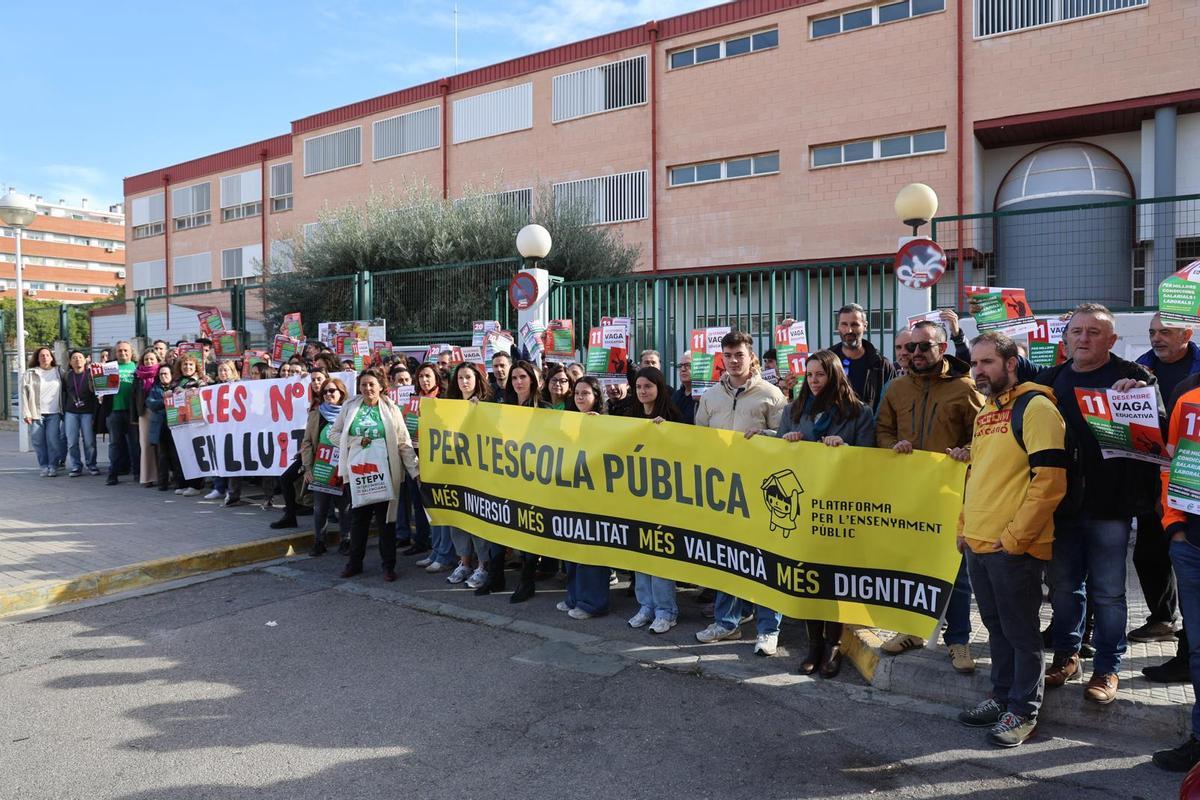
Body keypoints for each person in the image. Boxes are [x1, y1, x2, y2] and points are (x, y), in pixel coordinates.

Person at [1037, 303, 1164, 704]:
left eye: (1094, 332)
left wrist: (1140, 402)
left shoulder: (1135, 376)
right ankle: (1066, 656)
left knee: (1109, 592)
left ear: (1111, 340)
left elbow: (1158, 438)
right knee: (1062, 589)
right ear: (1066, 338)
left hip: (1112, 505)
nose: (1084, 339)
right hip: (1061, 505)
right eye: (1077, 332)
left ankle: (1107, 668)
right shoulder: (1049, 382)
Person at [952, 332, 1068, 748]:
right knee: (996, 628)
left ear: (1011, 363)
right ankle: (1001, 697)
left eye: (987, 363)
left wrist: (1016, 538)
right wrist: (964, 528)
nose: (978, 371)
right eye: (974, 363)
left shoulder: (1036, 408)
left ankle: (1023, 709)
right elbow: (976, 475)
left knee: (1021, 633)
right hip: (979, 545)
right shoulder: (986, 411)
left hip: (1012, 547)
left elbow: (1050, 482)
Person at [875, 320, 984, 672]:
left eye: (924, 347)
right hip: (911, 494)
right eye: (910, 348)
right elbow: (883, 430)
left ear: (943, 348)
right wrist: (894, 445)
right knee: (911, 564)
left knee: (955, 571)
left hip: (953, 494)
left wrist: (966, 451)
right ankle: (911, 629)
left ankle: (959, 641)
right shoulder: (896, 388)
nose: (915, 354)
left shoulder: (965, 388)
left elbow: (983, 434)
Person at [773, 350, 876, 677]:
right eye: (810, 374)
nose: (814, 381)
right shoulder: (794, 410)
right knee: (807, 577)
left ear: (834, 376)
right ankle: (813, 643)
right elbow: (777, 458)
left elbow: (870, 460)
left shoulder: (858, 413)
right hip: (803, 508)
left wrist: (845, 452)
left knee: (835, 581)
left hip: (839, 509)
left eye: (820, 374)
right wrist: (789, 442)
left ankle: (833, 644)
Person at [693, 330, 787, 654]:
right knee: (727, 557)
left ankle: (768, 628)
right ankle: (727, 623)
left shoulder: (771, 395)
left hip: (763, 491)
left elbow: (788, 441)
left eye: (739, 355)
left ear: (752, 358)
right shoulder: (710, 397)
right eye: (728, 356)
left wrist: (766, 434)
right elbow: (698, 439)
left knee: (764, 559)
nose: (734, 361)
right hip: (723, 492)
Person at [1130, 315, 1200, 651]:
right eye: (1153, 332)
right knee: (1148, 554)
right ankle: (1162, 618)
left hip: (1188, 482)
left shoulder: (1196, 371)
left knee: (1188, 565)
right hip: (1151, 478)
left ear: (1187, 334)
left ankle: (1189, 645)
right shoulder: (1140, 367)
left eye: (1165, 332)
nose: (1157, 339)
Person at [331, 370, 419, 581]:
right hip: (358, 473)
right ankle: (354, 564)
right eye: (363, 385)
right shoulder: (350, 406)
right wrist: (353, 441)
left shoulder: (391, 409)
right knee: (358, 520)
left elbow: (403, 442)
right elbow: (333, 433)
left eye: (371, 384)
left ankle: (388, 566)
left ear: (381, 385)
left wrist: (414, 470)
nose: (367, 389)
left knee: (386, 522)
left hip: (385, 473)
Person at [1153, 378, 1200, 771]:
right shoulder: (1188, 397)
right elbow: (1172, 465)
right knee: (1199, 653)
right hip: (1192, 547)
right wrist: (1175, 527)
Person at [624, 366, 684, 631]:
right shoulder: (631, 416)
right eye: (638, 387)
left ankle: (666, 610)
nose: (642, 391)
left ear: (659, 388)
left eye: (648, 386)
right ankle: (646, 606)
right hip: (638, 498)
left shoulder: (672, 417)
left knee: (659, 555)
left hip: (663, 501)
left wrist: (668, 432)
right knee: (640, 555)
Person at [443, 363, 496, 587]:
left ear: (477, 380)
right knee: (458, 519)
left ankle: (482, 566)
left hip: (478, 474)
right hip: (456, 472)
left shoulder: (487, 406)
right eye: (461, 378)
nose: (464, 382)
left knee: (478, 521)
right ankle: (463, 563)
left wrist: (478, 412)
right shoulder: (448, 406)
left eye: (468, 377)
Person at [505, 361, 553, 603]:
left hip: (536, 479)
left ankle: (528, 580)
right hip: (511, 478)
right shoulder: (504, 408)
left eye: (522, 376)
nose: (518, 382)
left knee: (531, 529)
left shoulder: (544, 408)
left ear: (532, 380)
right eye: (514, 378)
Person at [301, 377, 352, 557]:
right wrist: (307, 468)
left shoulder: (350, 414)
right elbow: (307, 442)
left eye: (332, 391)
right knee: (320, 507)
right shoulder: (315, 414)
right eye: (324, 392)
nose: (328, 394)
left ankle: (346, 540)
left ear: (341, 393)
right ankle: (319, 542)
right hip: (321, 468)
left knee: (345, 507)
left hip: (343, 468)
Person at [413, 363, 455, 572]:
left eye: (428, 376)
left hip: (442, 463)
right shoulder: (413, 403)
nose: (424, 380)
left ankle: (446, 555)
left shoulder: (445, 402)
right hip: (422, 460)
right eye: (421, 376)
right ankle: (436, 550)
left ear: (436, 378)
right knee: (432, 510)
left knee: (443, 510)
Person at [829, 303, 895, 412]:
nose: (849, 330)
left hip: (869, 428)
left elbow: (893, 405)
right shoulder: (826, 362)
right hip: (832, 428)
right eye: (844, 324)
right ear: (838, 326)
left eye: (854, 324)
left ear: (865, 326)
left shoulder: (882, 366)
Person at [22, 347, 65, 477]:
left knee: (53, 440)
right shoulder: (30, 373)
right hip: (36, 413)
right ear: (37, 358)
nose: (45, 358)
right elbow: (24, 394)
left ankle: (53, 466)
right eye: (42, 355)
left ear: (52, 357)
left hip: (54, 412)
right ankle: (44, 466)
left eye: (47, 355)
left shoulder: (59, 371)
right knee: (38, 442)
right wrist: (26, 413)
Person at [206, 361, 243, 506]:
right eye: (220, 370)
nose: (223, 373)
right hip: (220, 428)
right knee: (219, 458)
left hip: (236, 429)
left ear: (233, 371)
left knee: (233, 460)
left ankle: (232, 492)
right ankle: (219, 487)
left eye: (226, 370)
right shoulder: (214, 387)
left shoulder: (241, 385)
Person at [102, 341, 140, 486]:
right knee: (115, 445)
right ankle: (113, 474)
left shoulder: (138, 367)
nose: (123, 353)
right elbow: (97, 388)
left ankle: (138, 473)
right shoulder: (108, 368)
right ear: (115, 353)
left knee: (135, 444)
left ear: (131, 352)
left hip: (133, 412)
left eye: (125, 350)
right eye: (119, 351)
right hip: (114, 411)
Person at [62, 349, 100, 477]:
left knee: (89, 441)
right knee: (72, 441)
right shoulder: (67, 376)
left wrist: (95, 415)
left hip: (88, 412)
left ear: (85, 360)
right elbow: (63, 394)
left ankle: (91, 464)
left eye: (80, 357)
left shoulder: (92, 375)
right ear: (70, 362)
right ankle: (76, 466)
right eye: (74, 358)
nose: (77, 359)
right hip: (71, 412)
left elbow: (97, 395)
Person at [144, 364, 177, 491]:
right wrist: (166, 400)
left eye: (166, 373)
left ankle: (178, 481)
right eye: (161, 374)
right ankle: (163, 483)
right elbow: (150, 404)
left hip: (174, 425)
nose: (163, 376)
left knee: (175, 455)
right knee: (162, 456)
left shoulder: (176, 387)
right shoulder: (155, 389)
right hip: (160, 426)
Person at [132, 348, 161, 487]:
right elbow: (133, 396)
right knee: (145, 445)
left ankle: (163, 475)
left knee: (161, 445)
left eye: (152, 359)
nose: (149, 362)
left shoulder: (162, 373)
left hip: (161, 411)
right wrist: (134, 416)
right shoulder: (137, 376)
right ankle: (147, 477)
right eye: (146, 359)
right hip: (144, 413)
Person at [669, 352, 696, 425]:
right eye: (680, 366)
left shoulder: (705, 396)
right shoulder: (676, 396)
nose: (683, 369)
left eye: (688, 365)